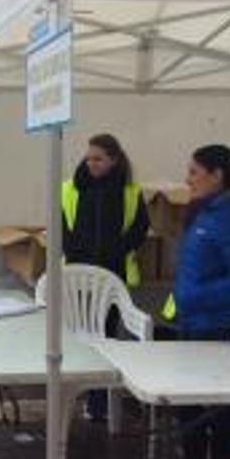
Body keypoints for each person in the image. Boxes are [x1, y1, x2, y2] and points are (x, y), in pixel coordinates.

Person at [174, 144, 230, 459]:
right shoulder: (206, 210)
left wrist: (195, 297)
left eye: (194, 172)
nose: (188, 179)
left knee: (223, 417)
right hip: (193, 324)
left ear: (217, 175)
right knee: (188, 410)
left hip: (220, 328)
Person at [61, 133, 149, 421]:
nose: (91, 163)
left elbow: (139, 230)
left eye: (98, 158)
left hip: (112, 277)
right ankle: (81, 395)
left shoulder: (131, 192)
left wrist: (117, 249)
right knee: (79, 338)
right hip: (78, 277)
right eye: (89, 157)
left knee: (107, 337)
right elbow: (62, 228)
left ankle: (99, 402)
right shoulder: (71, 190)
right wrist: (75, 255)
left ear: (114, 160)